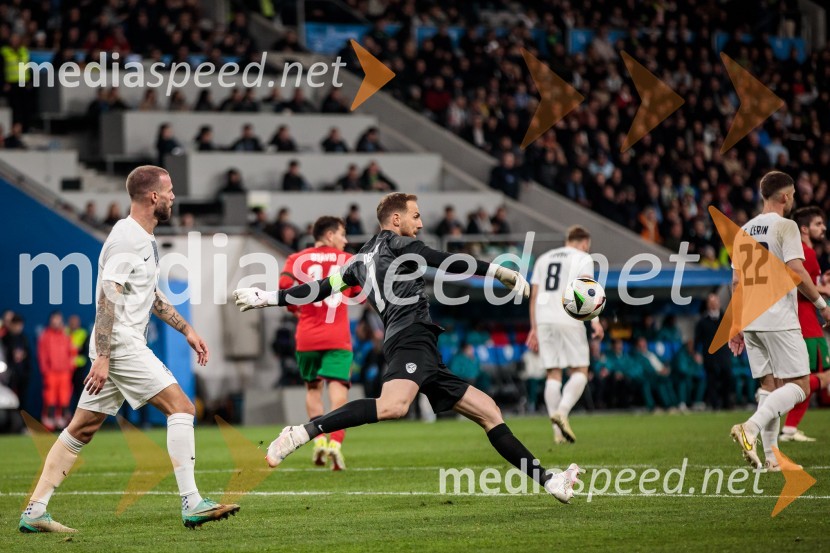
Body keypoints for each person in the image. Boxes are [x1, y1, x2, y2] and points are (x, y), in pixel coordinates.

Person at [234, 193, 581, 503]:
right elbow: (445, 260)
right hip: (411, 337)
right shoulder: (396, 247)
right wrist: (500, 273)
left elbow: (319, 289)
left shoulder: (355, 262)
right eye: (415, 216)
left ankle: (551, 481)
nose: (420, 222)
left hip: (419, 344)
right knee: (393, 407)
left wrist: (269, 298)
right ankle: (301, 433)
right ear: (395, 219)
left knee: (489, 412)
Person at [19, 166, 238, 533]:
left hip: (117, 345)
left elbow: (148, 295)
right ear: (153, 196)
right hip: (120, 344)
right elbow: (107, 299)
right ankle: (192, 503)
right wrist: (104, 357)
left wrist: (186, 328)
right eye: (168, 191)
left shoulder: (142, 238)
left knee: (81, 428)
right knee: (182, 407)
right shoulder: (127, 239)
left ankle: (34, 511)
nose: (172, 197)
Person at [728, 171, 830, 472]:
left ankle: (772, 459)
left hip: (751, 318)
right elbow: (797, 272)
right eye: (794, 193)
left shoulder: (742, 230)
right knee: (800, 385)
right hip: (779, 316)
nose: (795, 197)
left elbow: (736, 282)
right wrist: (822, 305)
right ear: (785, 196)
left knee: (770, 386)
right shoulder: (786, 226)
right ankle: (751, 427)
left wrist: (736, 325)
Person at [278, 217, 360, 470]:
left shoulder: (297, 258)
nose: (345, 240)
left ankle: (319, 440)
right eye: (342, 234)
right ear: (329, 234)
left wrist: (295, 310)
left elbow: (283, 287)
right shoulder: (347, 260)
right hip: (337, 337)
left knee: (313, 390)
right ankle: (335, 442)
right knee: (339, 394)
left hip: (307, 336)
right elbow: (358, 293)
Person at [526, 226, 603, 444]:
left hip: (543, 320)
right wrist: (595, 322)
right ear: (584, 242)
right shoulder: (582, 257)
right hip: (569, 318)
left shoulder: (543, 258)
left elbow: (534, 296)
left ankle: (557, 433)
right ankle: (562, 411)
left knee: (553, 374)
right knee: (580, 369)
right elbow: (586, 290)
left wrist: (534, 327)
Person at [780, 207, 830, 442]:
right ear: (804, 228)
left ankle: (790, 428)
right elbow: (799, 283)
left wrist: (821, 283)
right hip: (807, 324)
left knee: (810, 377)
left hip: (802, 321)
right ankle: (777, 400)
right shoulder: (805, 253)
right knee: (819, 377)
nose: (823, 228)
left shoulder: (800, 252)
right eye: (818, 224)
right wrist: (823, 290)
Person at [37, 312, 76, 431]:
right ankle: (49, 422)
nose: (56, 322)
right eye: (54, 320)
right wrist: (45, 370)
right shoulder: (45, 336)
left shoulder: (66, 335)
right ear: (50, 321)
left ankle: (62, 421)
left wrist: (70, 368)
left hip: (65, 372)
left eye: (58, 320)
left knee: (64, 397)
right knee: (50, 398)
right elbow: (42, 355)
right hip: (51, 373)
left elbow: (72, 353)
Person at [695, 293, 733, 409]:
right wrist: (696, 353)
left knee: (727, 378)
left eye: (715, 302)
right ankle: (714, 405)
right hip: (710, 356)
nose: (713, 304)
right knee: (711, 381)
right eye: (711, 302)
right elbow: (697, 339)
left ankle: (727, 403)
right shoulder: (702, 322)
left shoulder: (726, 319)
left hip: (724, 354)